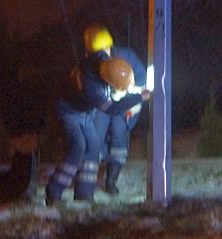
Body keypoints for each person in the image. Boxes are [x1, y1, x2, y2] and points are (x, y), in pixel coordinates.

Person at [44, 39, 151, 206]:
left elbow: (115, 85)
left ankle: (84, 194)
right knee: (78, 147)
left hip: (83, 111)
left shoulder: (105, 61)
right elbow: (113, 109)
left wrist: (127, 89)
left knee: (93, 145)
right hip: (68, 111)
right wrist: (139, 97)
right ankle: (54, 192)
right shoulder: (93, 88)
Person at [84, 27, 148, 195]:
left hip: (124, 103)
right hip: (105, 105)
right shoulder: (92, 65)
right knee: (96, 139)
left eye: (104, 50)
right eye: (97, 52)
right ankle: (86, 186)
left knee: (119, 139)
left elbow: (142, 80)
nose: (102, 55)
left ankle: (111, 181)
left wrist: (136, 102)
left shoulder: (126, 56)